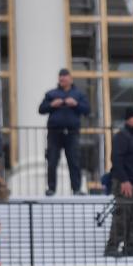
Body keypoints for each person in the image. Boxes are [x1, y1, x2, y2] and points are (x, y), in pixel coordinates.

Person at [39, 68, 90, 196]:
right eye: (60, 78)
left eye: (65, 78)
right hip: (54, 133)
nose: (62, 80)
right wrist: (52, 105)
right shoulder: (51, 94)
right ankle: (51, 188)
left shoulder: (79, 94)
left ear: (70, 79)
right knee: (52, 161)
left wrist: (76, 104)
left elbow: (87, 110)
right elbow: (41, 109)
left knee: (74, 161)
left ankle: (77, 189)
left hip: (72, 133)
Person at [106, 107, 133, 257]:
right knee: (122, 217)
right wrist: (124, 180)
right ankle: (112, 247)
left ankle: (130, 248)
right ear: (130, 119)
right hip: (125, 184)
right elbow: (116, 159)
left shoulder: (132, 137)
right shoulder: (122, 136)